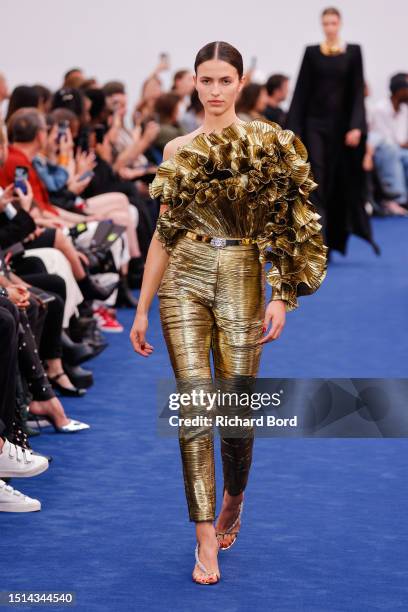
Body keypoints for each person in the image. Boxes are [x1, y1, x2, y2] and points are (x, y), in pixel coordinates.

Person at [130, 40, 328, 585]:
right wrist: (142, 308)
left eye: (224, 80)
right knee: (195, 410)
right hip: (183, 281)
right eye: (205, 79)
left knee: (235, 414)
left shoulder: (272, 143)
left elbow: (296, 223)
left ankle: (235, 497)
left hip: (243, 273)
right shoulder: (176, 150)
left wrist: (283, 294)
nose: (214, 90)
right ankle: (202, 540)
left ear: (241, 83)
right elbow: (162, 236)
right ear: (193, 83)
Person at [286, 6, 380, 256]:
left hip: (342, 129)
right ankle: (318, 241)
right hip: (314, 125)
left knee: (339, 181)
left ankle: (330, 240)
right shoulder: (312, 53)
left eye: (333, 23)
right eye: (326, 23)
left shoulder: (353, 52)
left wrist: (356, 126)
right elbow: (301, 90)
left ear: (339, 24)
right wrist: (294, 128)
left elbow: (357, 91)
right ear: (322, 25)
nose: (329, 27)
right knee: (317, 180)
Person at [367, 73, 408, 216]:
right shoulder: (380, 109)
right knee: (392, 151)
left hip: (397, 148)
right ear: (400, 90)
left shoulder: (404, 110)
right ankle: (395, 199)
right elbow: (383, 139)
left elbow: (401, 139)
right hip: (380, 149)